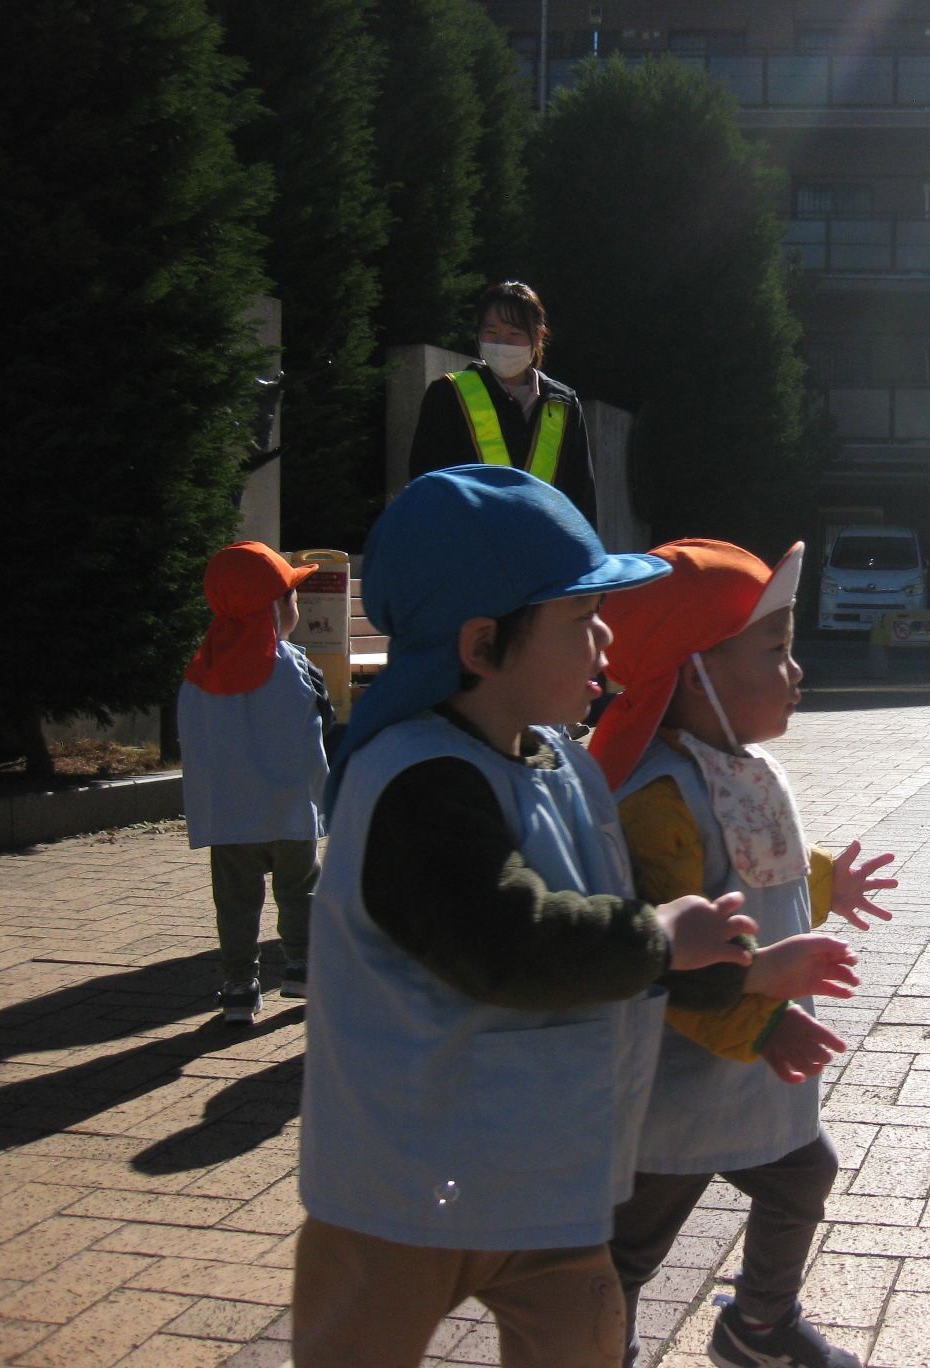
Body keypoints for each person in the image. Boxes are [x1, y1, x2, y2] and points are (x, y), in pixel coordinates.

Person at [292, 466, 763, 1368]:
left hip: (545, 1184)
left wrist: (713, 968)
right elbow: (508, 941)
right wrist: (661, 942)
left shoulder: (562, 764)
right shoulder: (417, 782)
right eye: (581, 619)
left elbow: (609, 926)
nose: (606, 641)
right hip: (400, 1189)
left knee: (584, 1344)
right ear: (482, 644)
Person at [589, 539, 896, 1368]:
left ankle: (759, 1327)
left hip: (755, 1075)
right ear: (697, 675)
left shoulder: (738, 763)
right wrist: (761, 1025)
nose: (796, 671)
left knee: (803, 1174)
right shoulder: (657, 797)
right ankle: (601, 1347)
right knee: (630, 1245)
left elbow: (759, 861)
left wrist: (827, 882)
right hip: (679, 1086)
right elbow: (672, 960)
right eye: (775, 650)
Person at [177, 541, 332, 1024]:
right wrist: (322, 795)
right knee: (300, 889)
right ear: (276, 607)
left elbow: (196, 746)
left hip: (230, 816)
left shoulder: (201, 671)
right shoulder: (296, 665)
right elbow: (315, 734)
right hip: (290, 811)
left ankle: (240, 985)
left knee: (236, 902)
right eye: (292, 598)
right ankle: (302, 967)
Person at [409, 280, 597, 522]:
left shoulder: (563, 404)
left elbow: (581, 498)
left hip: (541, 543)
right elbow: (427, 488)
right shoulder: (448, 394)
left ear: (539, 336)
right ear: (478, 334)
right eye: (491, 332)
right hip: (469, 542)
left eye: (514, 333)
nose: (501, 344)